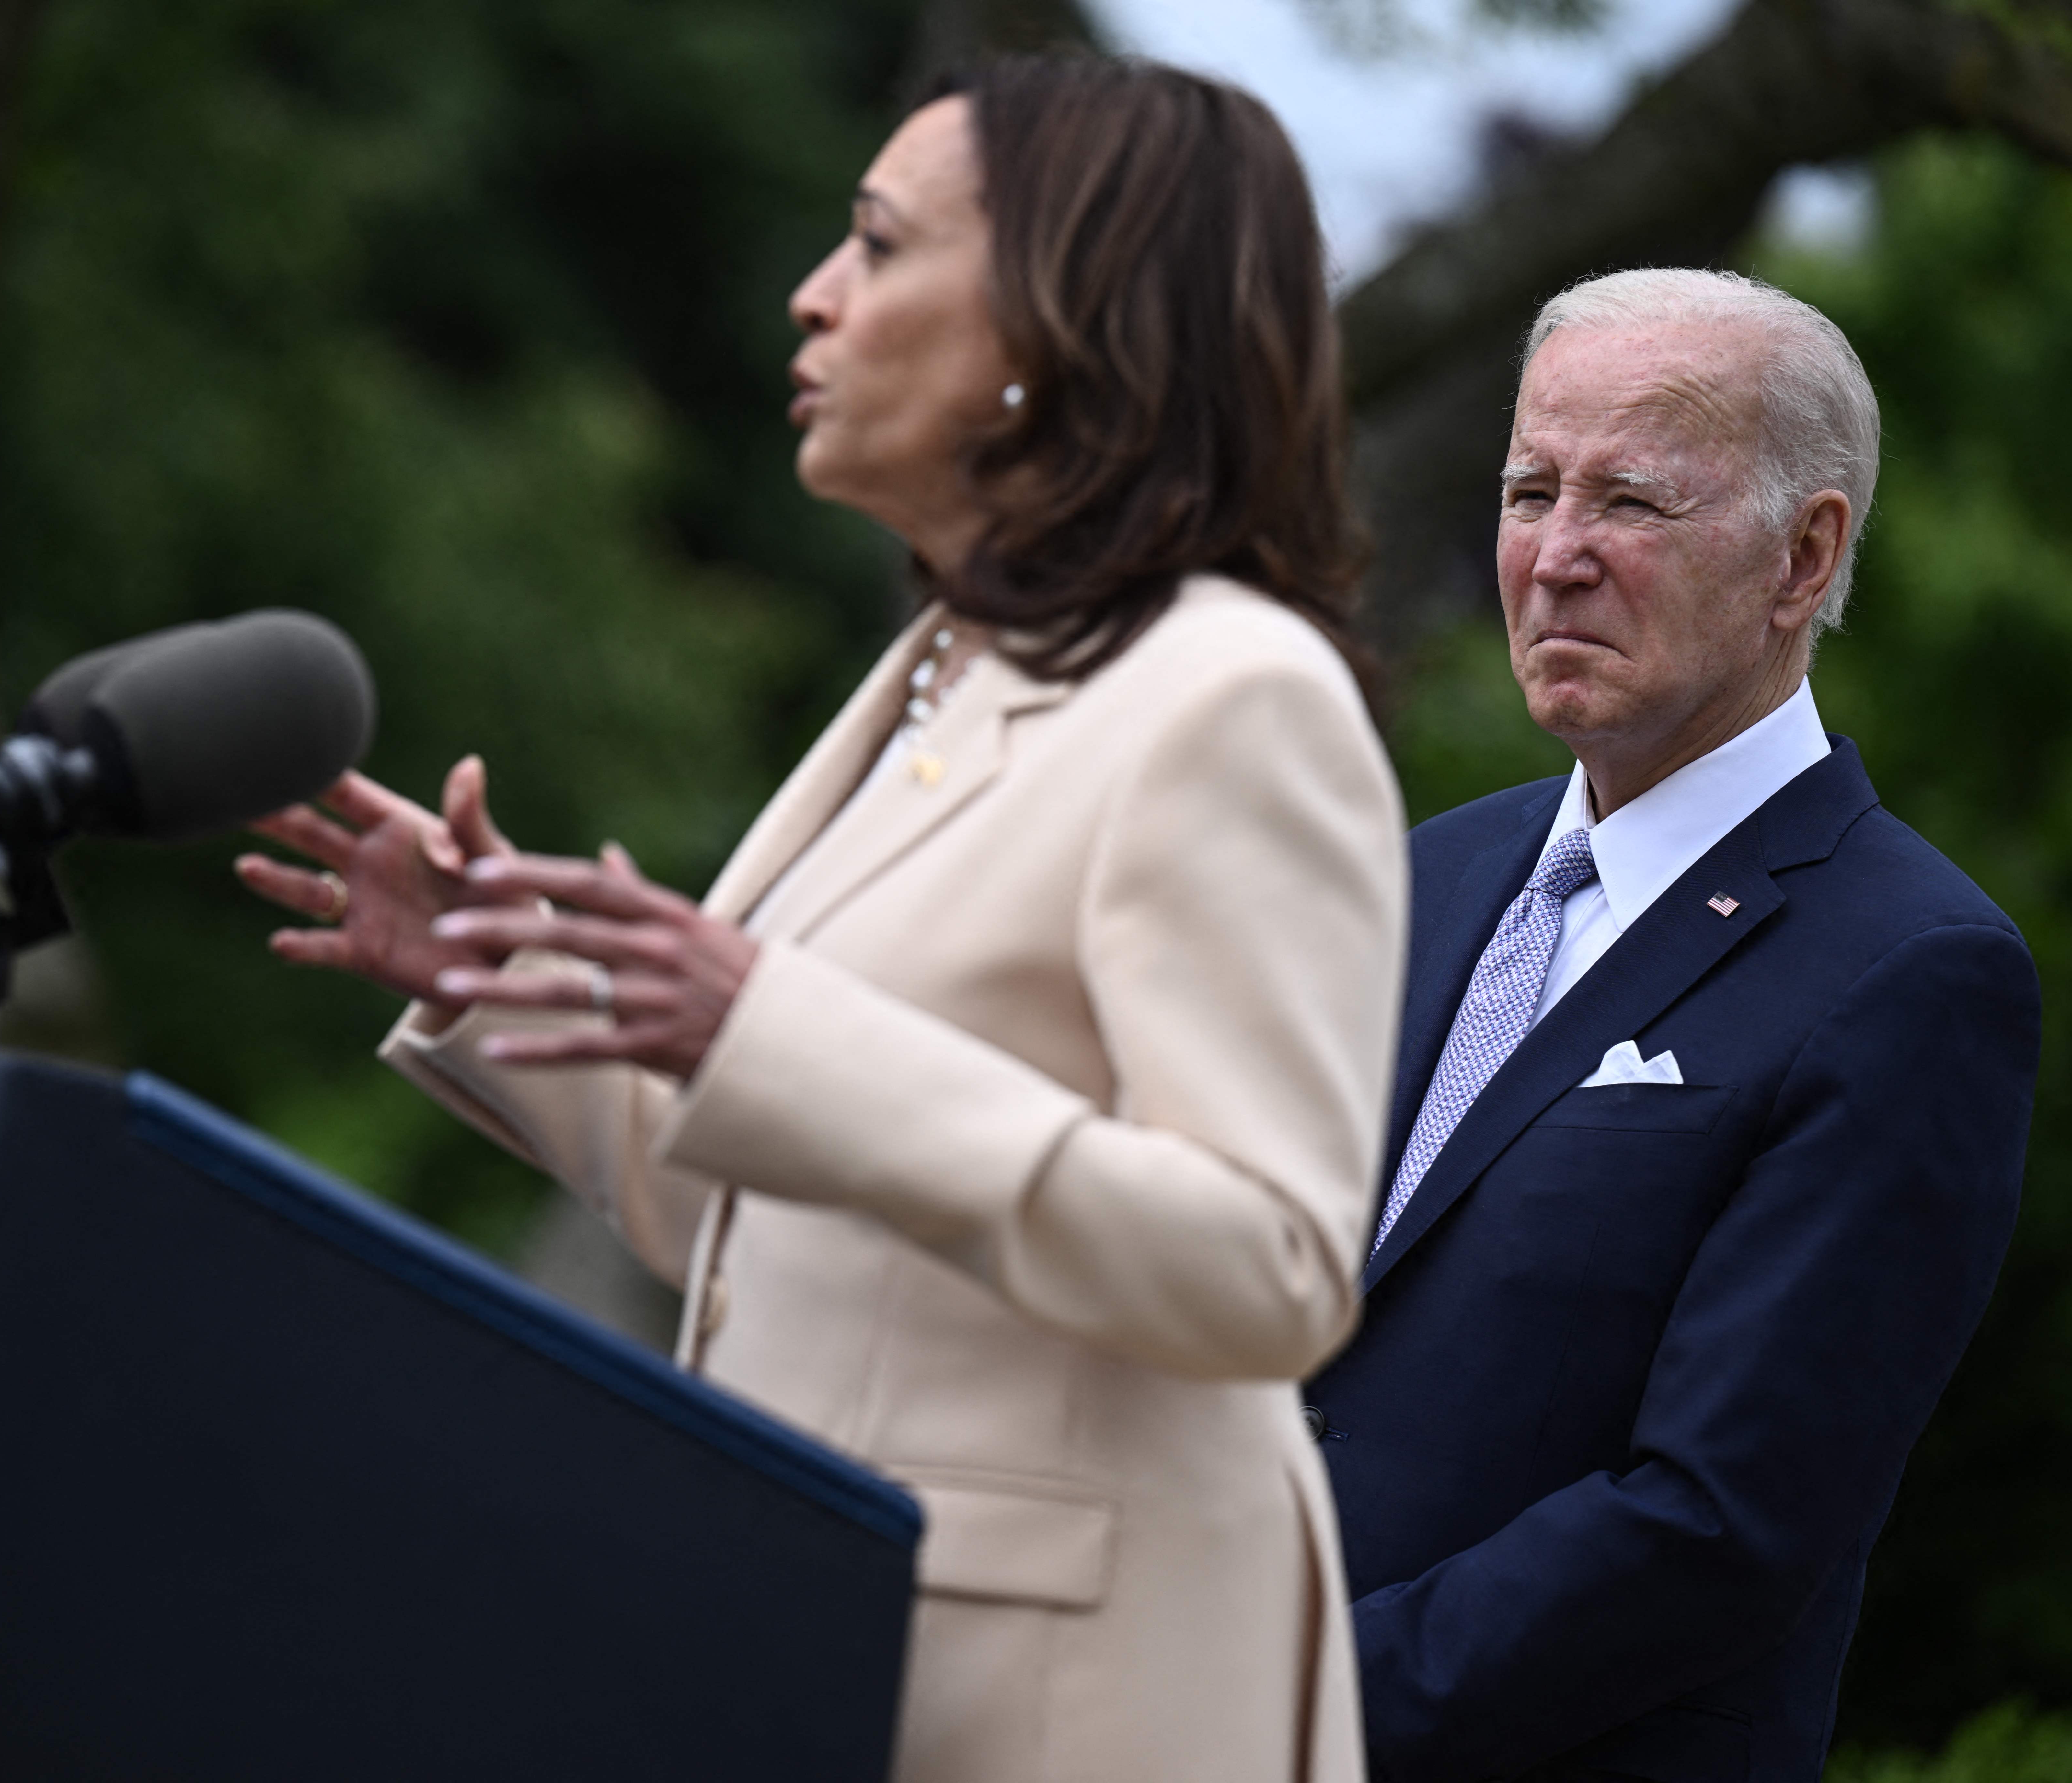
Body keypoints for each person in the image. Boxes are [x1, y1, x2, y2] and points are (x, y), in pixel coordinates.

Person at [236, 55, 1406, 1783]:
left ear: (1058, 315)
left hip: (1071, 1708)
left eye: (876, 242)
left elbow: (1274, 1265)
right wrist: (513, 977)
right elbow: (763, 1230)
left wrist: (764, 1029)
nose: (815, 291)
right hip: (831, 1645)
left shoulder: (1230, 695)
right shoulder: (943, 674)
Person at [1301, 268, 2042, 1782]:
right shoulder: (1423, 872)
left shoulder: (1914, 968)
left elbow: (1720, 1521)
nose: (1556, 556)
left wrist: (1290, 1705)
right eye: (1529, 489)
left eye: (1630, 500)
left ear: (1803, 554)